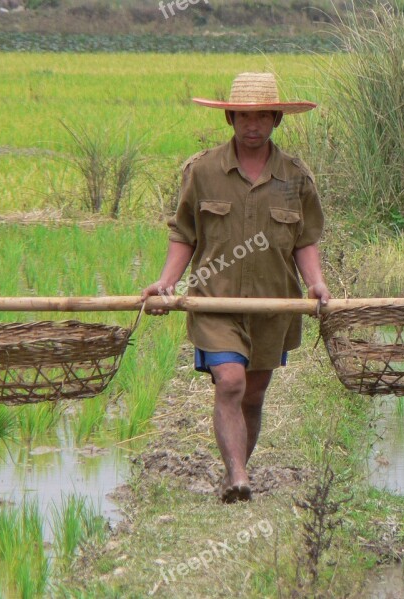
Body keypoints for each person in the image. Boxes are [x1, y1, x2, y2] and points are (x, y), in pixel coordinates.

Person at [141, 72, 330, 503]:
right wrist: (167, 283)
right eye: (244, 116)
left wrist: (316, 284)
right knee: (229, 382)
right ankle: (239, 476)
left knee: (254, 392)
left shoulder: (296, 178)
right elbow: (184, 233)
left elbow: (306, 240)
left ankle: (236, 473)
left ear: (277, 120)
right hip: (215, 301)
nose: (253, 125)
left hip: (274, 304)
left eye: (262, 116)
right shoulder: (203, 171)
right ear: (229, 117)